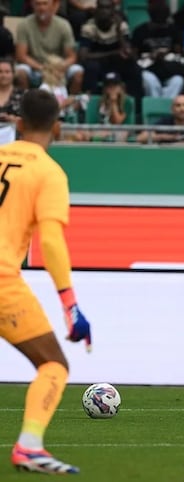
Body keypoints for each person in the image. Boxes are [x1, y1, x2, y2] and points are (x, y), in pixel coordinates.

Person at [1, 89, 92, 473]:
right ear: (57, 126)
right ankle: (29, 445)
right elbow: (51, 240)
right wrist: (69, 304)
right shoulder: (49, 172)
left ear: (18, 124)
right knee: (53, 364)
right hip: (2, 280)